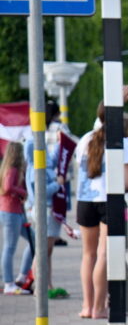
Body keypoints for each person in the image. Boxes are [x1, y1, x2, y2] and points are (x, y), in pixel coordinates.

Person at [76, 103, 128, 319]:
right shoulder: (123, 143)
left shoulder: (85, 139)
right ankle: (100, 308)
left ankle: (87, 306)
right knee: (103, 254)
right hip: (108, 200)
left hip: (84, 199)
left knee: (88, 254)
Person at [16, 101, 69, 297]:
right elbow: (41, 192)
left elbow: (53, 160)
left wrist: (61, 143)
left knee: (47, 252)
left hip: (48, 210)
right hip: (44, 209)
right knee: (42, 252)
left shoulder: (41, 164)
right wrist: (59, 183)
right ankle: (40, 286)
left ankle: (47, 285)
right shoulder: (35, 168)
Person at [1, 141, 30, 295]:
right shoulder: (13, 169)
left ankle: (21, 277)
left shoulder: (8, 168)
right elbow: (7, 187)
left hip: (12, 211)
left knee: (34, 241)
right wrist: (23, 192)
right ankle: (9, 283)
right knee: (10, 247)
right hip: (11, 211)